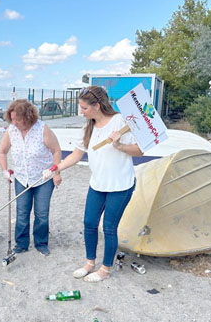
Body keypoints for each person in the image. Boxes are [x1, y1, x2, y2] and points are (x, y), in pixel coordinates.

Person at [43, 86, 142, 282]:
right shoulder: (87, 127)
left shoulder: (121, 122)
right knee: (89, 224)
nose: (81, 112)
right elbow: (76, 154)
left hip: (120, 185)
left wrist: (119, 145)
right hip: (98, 184)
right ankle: (90, 263)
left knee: (109, 228)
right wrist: (57, 168)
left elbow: (139, 150)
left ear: (97, 105)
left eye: (84, 108)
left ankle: (105, 268)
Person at [0, 99, 62, 256]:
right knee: (22, 212)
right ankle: (21, 243)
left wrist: (56, 173)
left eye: (18, 119)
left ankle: (41, 242)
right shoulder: (11, 130)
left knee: (41, 212)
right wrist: (5, 170)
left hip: (43, 178)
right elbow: (2, 151)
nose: (15, 122)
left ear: (28, 117)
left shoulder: (42, 129)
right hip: (21, 178)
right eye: (12, 119)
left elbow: (56, 151)